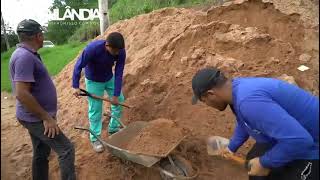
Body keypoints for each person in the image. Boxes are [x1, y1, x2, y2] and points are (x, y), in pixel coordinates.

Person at [191, 67, 319, 180]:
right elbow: (244, 122)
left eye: (204, 101)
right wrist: (231, 147)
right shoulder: (237, 89)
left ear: (211, 94)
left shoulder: (248, 102)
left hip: (312, 146)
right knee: (254, 159)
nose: (207, 105)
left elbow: (300, 140)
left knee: (261, 169)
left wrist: (264, 163)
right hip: (299, 133)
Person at [9, 19, 76, 180]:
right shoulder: (24, 57)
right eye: (42, 34)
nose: (43, 36)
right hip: (36, 117)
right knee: (66, 149)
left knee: (41, 151)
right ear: (38, 35)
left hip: (34, 116)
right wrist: (46, 118)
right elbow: (22, 94)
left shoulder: (26, 54)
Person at [72, 32, 126, 153]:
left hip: (109, 78)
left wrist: (116, 95)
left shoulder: (120, 51)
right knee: (95, 109)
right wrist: (75, 85)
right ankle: (95, 138)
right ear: (107, 45)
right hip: (93, 81)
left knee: (119, 101)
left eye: (119, 50)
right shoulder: (92, 49)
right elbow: (78, 65)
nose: (117, 53)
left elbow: (119, 72)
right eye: (115, 50)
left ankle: (113, 128)